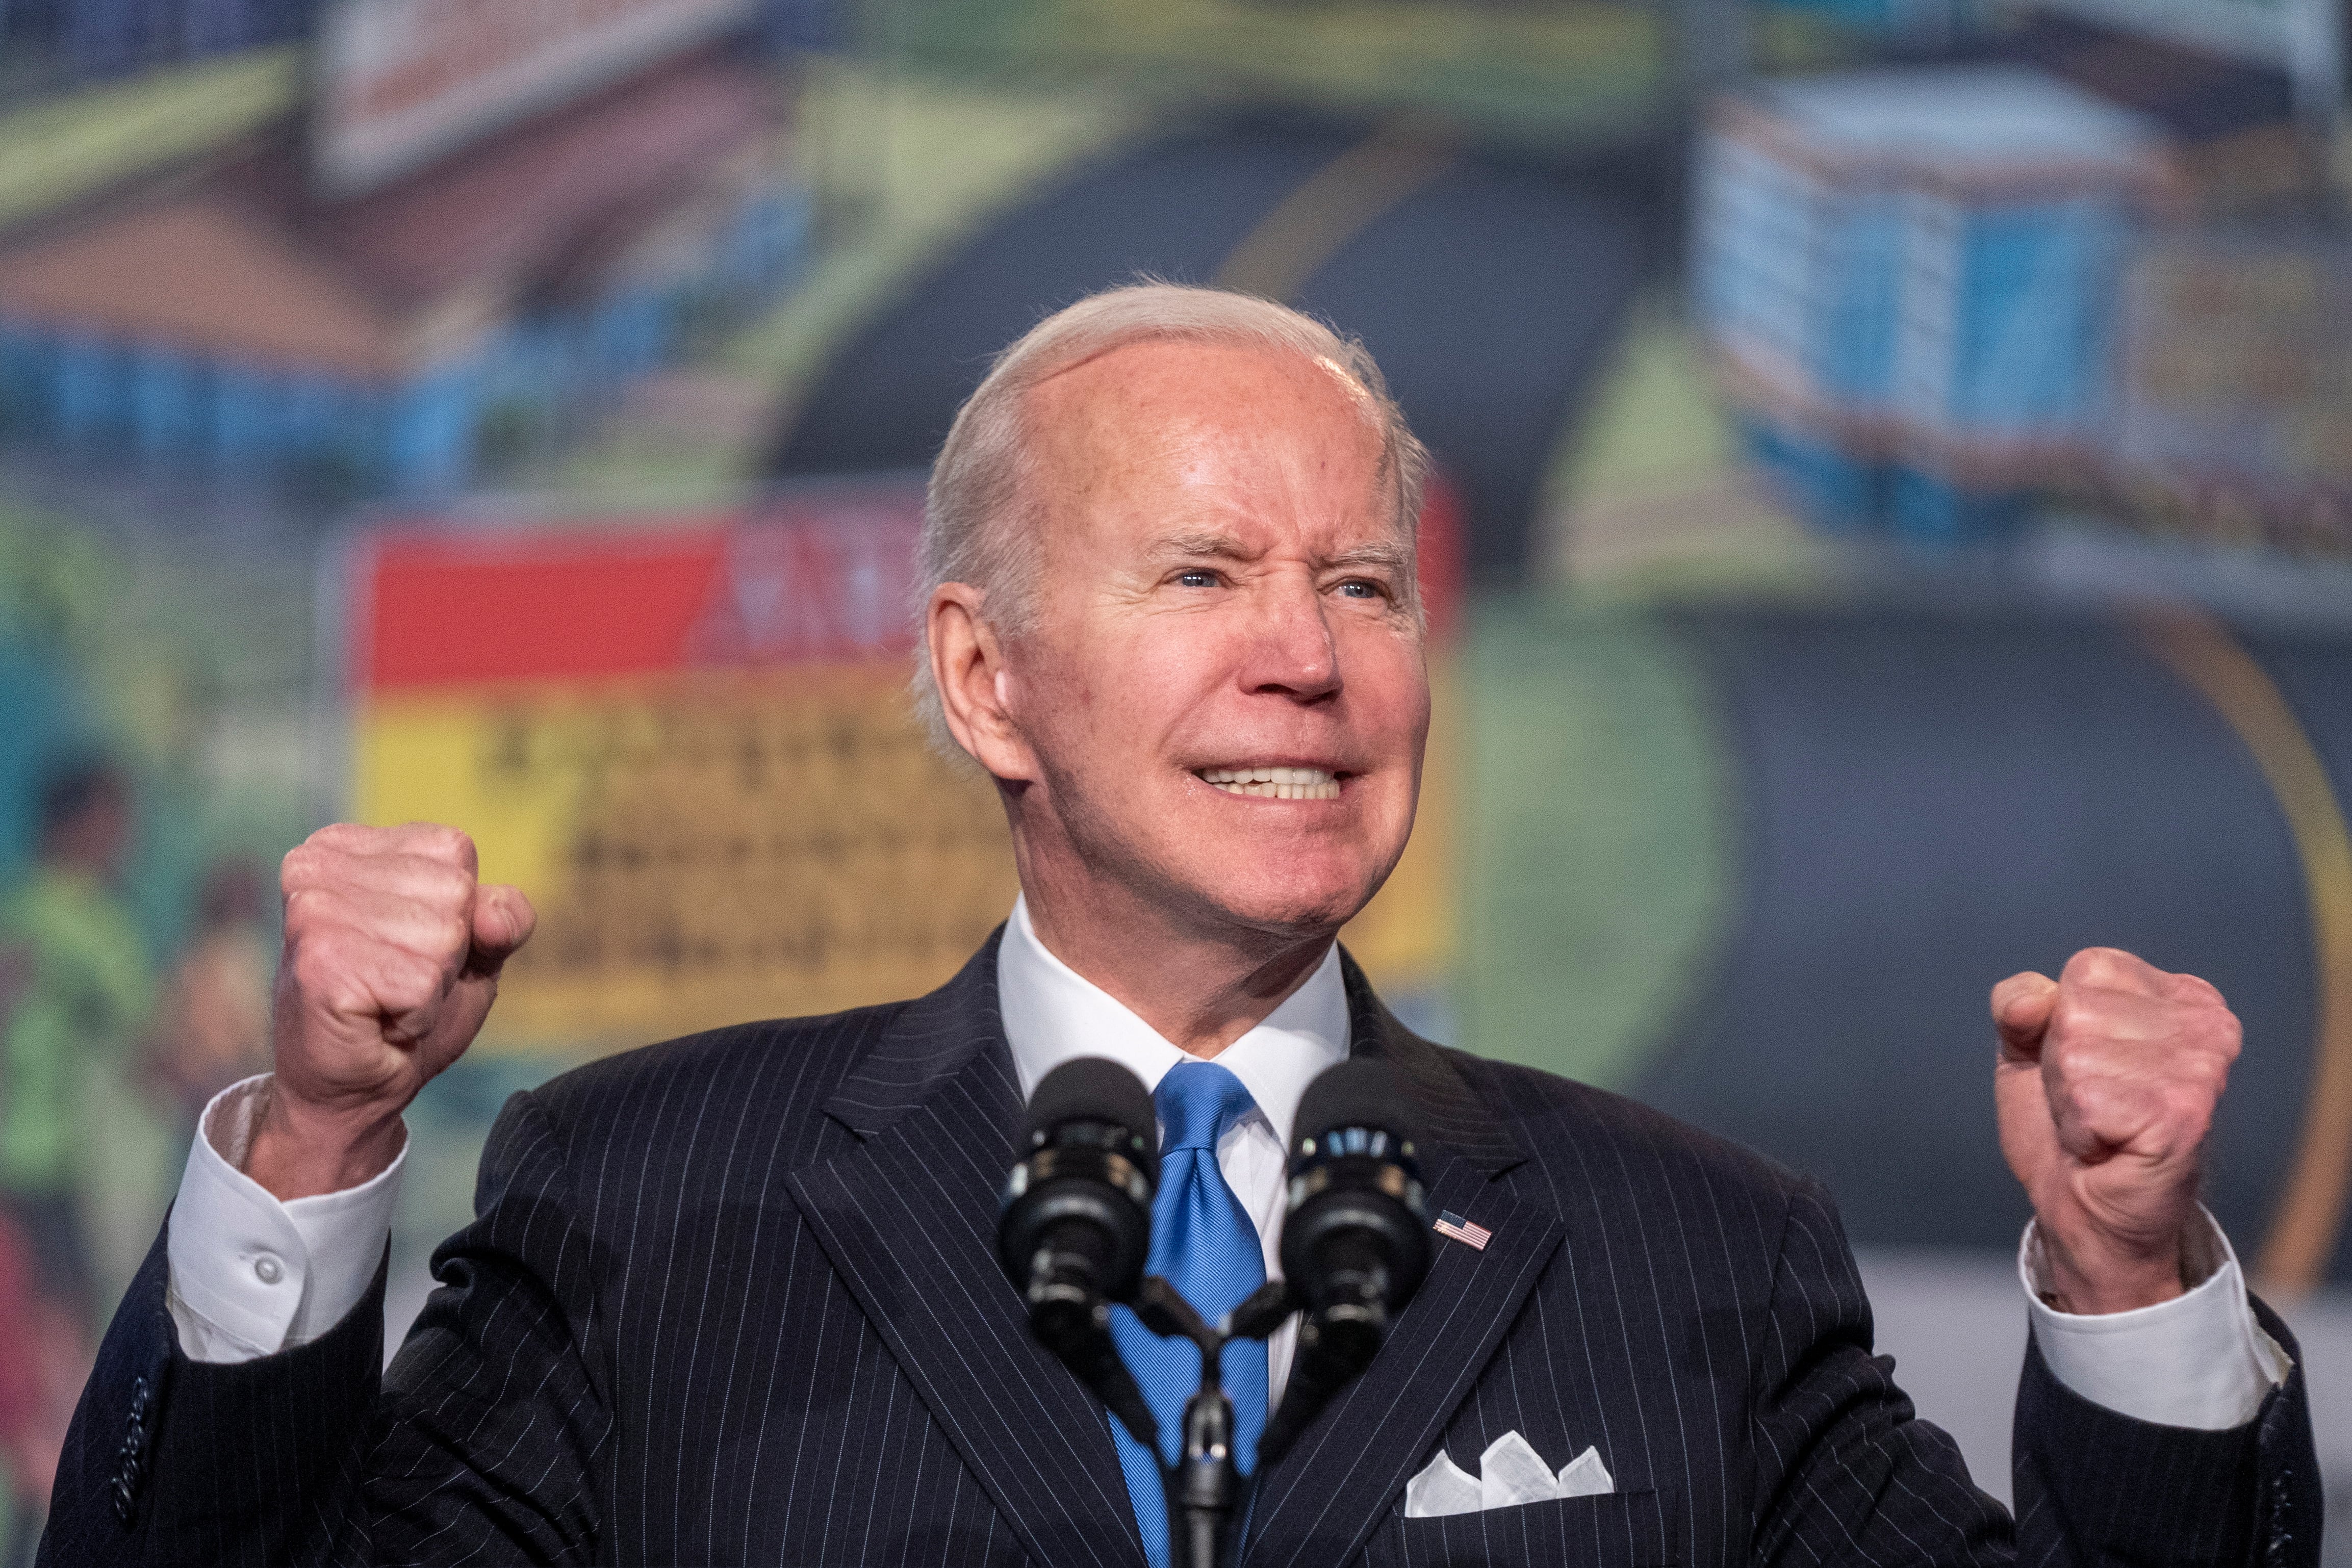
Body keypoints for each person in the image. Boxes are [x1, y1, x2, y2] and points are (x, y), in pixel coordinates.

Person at [41, 286, 2317, 1566]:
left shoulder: (1688, 1255)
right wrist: (321, 1142)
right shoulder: (651, 1207)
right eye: (1205, 576)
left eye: (1358, 583)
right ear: (980, 677)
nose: (1308, 658)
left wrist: (2126, 1278)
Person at [0, 761, 155, 1566]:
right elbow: (157, 1041)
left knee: (33, 1370)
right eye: (114, 823)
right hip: (41, 1173)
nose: (124, 842)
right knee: (59, 1373)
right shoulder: (85, 923)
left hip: (20, 1176)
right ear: (83, 822)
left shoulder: (18, 909)